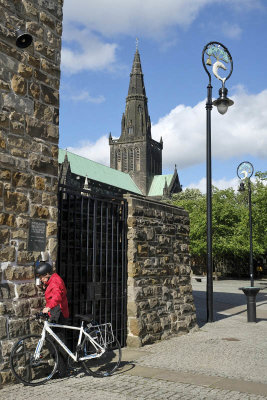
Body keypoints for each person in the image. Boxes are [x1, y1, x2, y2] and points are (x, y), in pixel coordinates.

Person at [35, 261, 69, 378]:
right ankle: (61, 369)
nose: (42, 280)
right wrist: (45, 286)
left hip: (58, 313)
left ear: (48, 274)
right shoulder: (52, 280)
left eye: (42, 277)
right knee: (52, 342)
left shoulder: (55, 281)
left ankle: (63, 370)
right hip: (54, 312)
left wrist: (48, 307)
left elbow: (57, 296)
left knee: (58, 342)